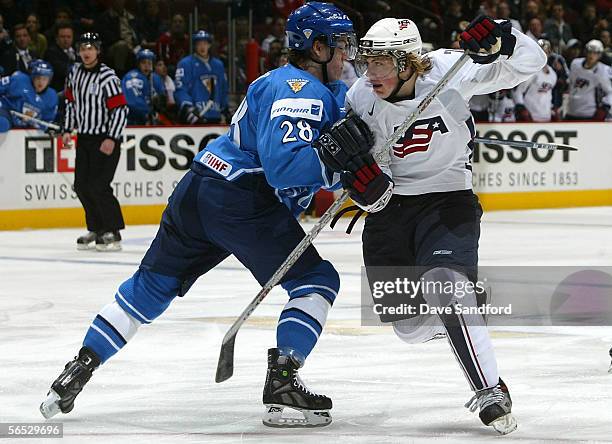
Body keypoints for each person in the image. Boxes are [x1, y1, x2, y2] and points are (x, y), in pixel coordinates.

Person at [39, 2, 379, 428]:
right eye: (341, 44)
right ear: (316, 46)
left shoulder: (273, 81)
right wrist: (339, 169)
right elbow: (283, 169)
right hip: (241, 198)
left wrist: (333, 171)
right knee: (316, 281)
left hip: (199, 187)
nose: (347, 54)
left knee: (150, 288)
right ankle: (284, 381)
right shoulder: (303, 91)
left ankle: (80, 367)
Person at [337, 15, 546, 434]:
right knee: (408, 329)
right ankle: (468, 302)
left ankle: (489, 389)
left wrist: (505, 37)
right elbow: (368, 162)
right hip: (390, 211)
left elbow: (530, 62)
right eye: (368, 61)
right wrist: (363, 182)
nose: (370, 72)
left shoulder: (452, 69)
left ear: (409, 62)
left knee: (445, 284)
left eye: (382, 62)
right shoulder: (360, 95)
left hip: (447, 200)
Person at [62, 32, 128, 251]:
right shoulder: (74, 74)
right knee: (81, 186)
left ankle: (113, 231)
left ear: (97, 50)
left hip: (106, 138)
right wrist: (67, 129)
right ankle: (96, 228)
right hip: (85, 138)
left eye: (90, 48)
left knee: (99, 185)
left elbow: (119, 109)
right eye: (82, 48)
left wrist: (112, 137)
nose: (86, 52)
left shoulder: (107, 76)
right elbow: (71, 103)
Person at [174, 30, 228, 124]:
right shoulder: (185, 64)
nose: (202, 47)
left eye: (205, 43)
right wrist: (188, 107)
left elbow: (223, 89)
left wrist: (224, 108)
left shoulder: (218, 65)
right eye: (199, 44)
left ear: (209, 45)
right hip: (196, 116)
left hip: (215, 115)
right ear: (195, 46)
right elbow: (180, 88)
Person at [0, 59, 57, 132]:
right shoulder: (19, 80)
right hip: (7, 113)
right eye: (38, 78)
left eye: (44, 79)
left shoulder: (51, 96)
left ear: (49, 80)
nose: (41, 82)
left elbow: (46, 121)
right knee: (2, 123)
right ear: (33, 77)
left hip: (26, 124)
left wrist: (34, 122)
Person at [566, 39, 612, 120]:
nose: (592, 55)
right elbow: (571, 83)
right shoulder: (575, 64)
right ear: (585, 52)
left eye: (595, 53)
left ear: (600, 55)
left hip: (588, 114)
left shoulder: (603, 70)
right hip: (571, 110)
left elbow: (610, 92)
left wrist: (605, 107)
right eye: (590, 52)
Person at [514, 39, 558, 122]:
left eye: (546, 51)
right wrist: (522, 109)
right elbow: (518, 92)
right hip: (530, 117)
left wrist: (552, 109)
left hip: (546, 116)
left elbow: (549, 94)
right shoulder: (531, 70)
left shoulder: (553, 74)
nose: (543, 54)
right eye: (541, 51)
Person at [122, 49, 166, 125]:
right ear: (138, 64)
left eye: (149, 63)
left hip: (148, 119)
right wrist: (149, 112)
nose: (147, 66)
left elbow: (162, 100)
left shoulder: (156, 78)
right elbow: (132, 102)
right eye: (143, 62)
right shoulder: (132, 77)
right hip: (131, 120)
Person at [44, 22, 77, 93]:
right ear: (56, 38)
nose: (66, 40)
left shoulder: (79, 51)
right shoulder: (51, 52)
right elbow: (63, 71)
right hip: (60, 90)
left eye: (68, 37)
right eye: (62, 37)